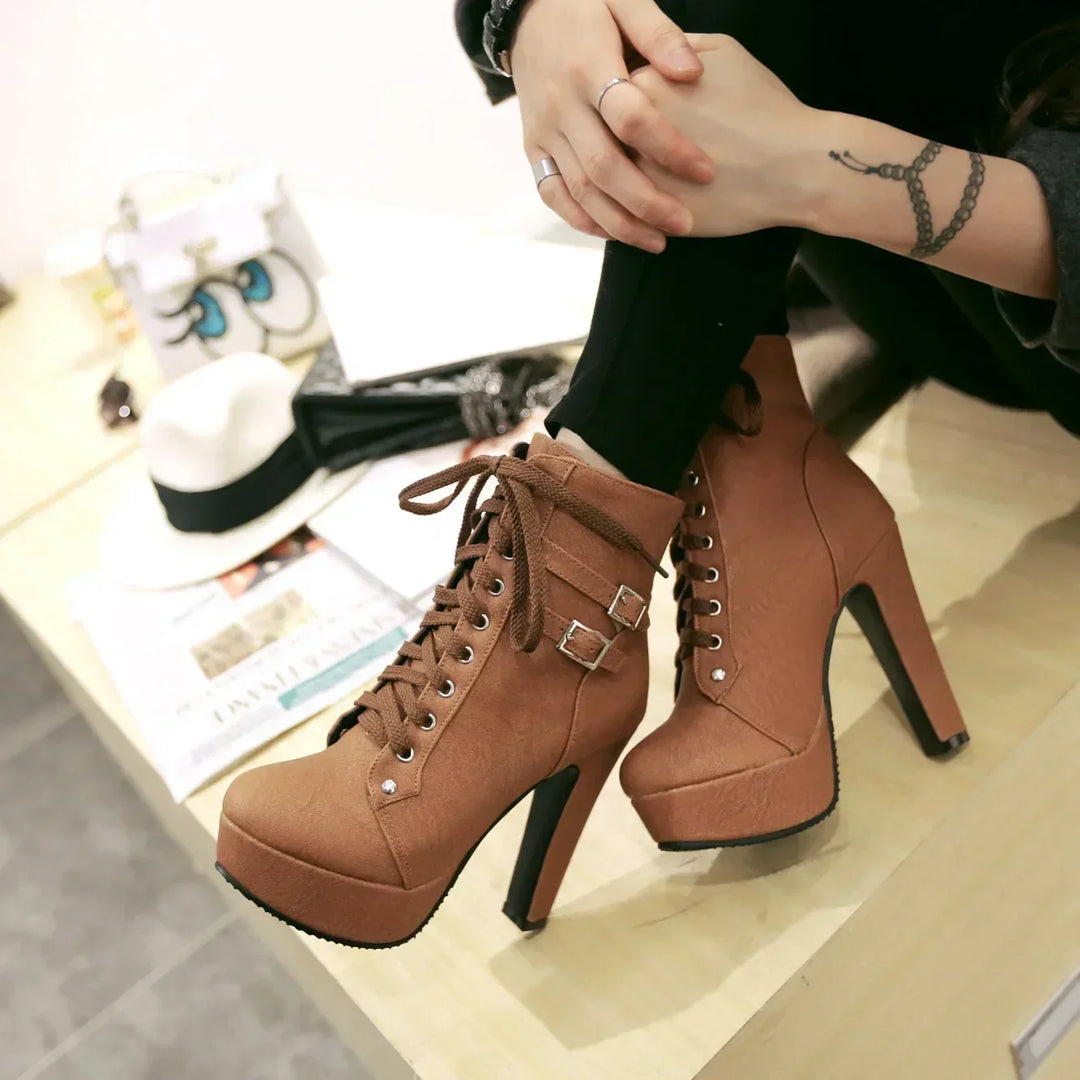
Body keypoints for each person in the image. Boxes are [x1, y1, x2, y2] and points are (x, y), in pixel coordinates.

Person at [213, 3, 1078, 947]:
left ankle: (566, 604)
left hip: (1032, 311)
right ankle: (757, 475)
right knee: (666, 29)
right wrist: (530, 17)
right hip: (899, 260)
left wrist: (808, 167)